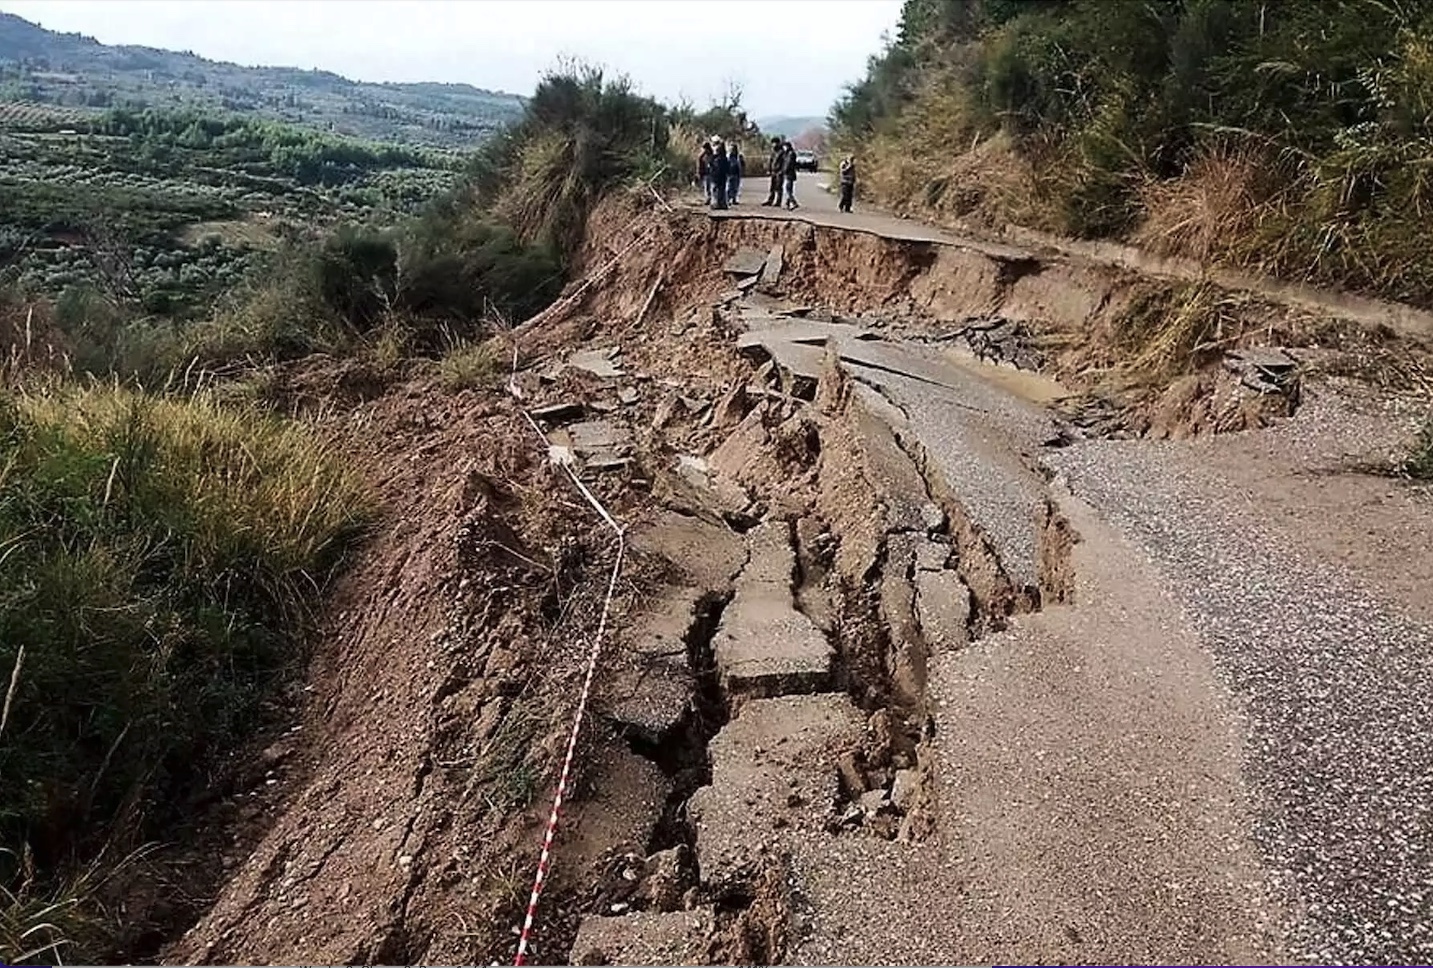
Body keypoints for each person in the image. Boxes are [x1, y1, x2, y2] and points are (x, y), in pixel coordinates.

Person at [709, 136, 730, 210]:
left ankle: (716, 203)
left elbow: (712, 163)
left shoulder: (716, 155)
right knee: (722, 189)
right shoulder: (724, 156)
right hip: (722, 175)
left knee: (715, 189)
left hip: (716, 175)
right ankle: (722, 203)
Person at [763, 136, 783, 207]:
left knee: (778, 187)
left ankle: (778, 201)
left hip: (779, 172)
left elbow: (783, 162)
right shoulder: (773, 152)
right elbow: (770, 161)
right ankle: (770, 200)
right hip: (773, 171)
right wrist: (769, 169)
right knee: (772, 187)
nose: (773, 145)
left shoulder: (781, 152)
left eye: (775, 143)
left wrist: (781, 171)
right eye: (773, 143)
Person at [781, 139, 799, 210]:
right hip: (789, 174)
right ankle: (787, 204)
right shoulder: (787, 154)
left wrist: (784, 170)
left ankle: (794, 203)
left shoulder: (790, 154)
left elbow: (788, 164)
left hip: (789, 174)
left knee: (787, 189)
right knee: (788, 189)